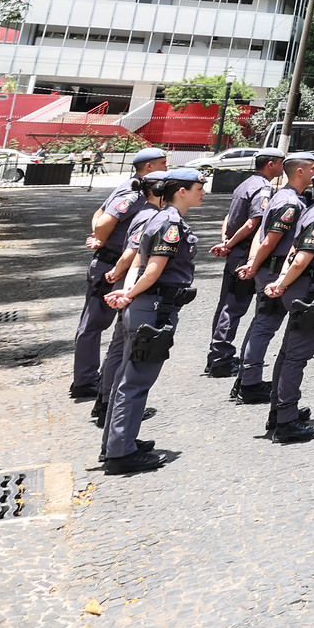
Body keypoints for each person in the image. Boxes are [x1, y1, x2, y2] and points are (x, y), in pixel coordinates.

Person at [98, 168, 206, 475]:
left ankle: (117, 443)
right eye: (199, 187)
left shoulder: (159, 217)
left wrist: (128, 294)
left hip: (147, 304)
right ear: (181, 191)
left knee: (126, 378)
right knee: (136, 381)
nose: (204, 192)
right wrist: (130, 293)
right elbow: (152, 270)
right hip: (155, 307)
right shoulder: (170, 222)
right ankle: (121, 453)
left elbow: (140, 262)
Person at [260, 166, 314, 443]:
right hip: (310, 291)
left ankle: (280, 411)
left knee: (289, 351)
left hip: (303, 287)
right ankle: (286, 421)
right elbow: (301, 258)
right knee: (296, 356)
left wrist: (282, 282)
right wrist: (283, 283)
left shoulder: (312, 211)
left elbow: (293, 250)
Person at [70, 145, 164, 403]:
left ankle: (89, 379)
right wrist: (99, 239)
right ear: (149, 167)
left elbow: (99, 213)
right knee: (95, 324)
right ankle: (85, 381)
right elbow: (102, 220)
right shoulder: (133, 194)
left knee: (102, 324)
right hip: (112, 264)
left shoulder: (132, 186)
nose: (167, 168)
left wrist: (99, 237)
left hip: (114, 262)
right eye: (163, 163)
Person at [229, 152, 314, 405]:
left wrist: (252, 262)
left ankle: (247, 378)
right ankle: (249, 383)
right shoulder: (290, 202)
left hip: (270, 268)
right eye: (312, 168)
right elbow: (270, 240)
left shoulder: (284, 196)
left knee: (262, 324)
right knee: (265, 326)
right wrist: (254, 264)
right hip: (275, 270)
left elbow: (259, 233)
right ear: (299, 171)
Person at [204, 148, 283, 377]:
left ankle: (216, 355)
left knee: (226, 305)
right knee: (235, 306)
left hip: (235, 248)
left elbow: (229, 217)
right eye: (280, 163)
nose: (281, 168)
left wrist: (226, 241)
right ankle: (221, 358)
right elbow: (252, 224)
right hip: (245, 251)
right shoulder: (263, 187)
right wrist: (229, 245)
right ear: (271, 164)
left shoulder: (245, 183)